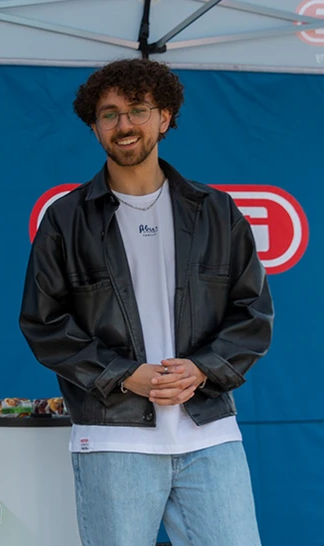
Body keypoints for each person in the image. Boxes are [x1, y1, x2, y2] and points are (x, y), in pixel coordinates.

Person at [18, 58, 273, 546]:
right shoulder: (66, 220)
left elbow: (253, 313)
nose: (124, 124)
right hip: (113, 439)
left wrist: (202, 370)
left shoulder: (216, 212)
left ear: (165, 116)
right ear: (94, 126)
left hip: (210, 436)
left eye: (138, 109)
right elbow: (44, 324)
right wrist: (122, 374)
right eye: (109, 114)